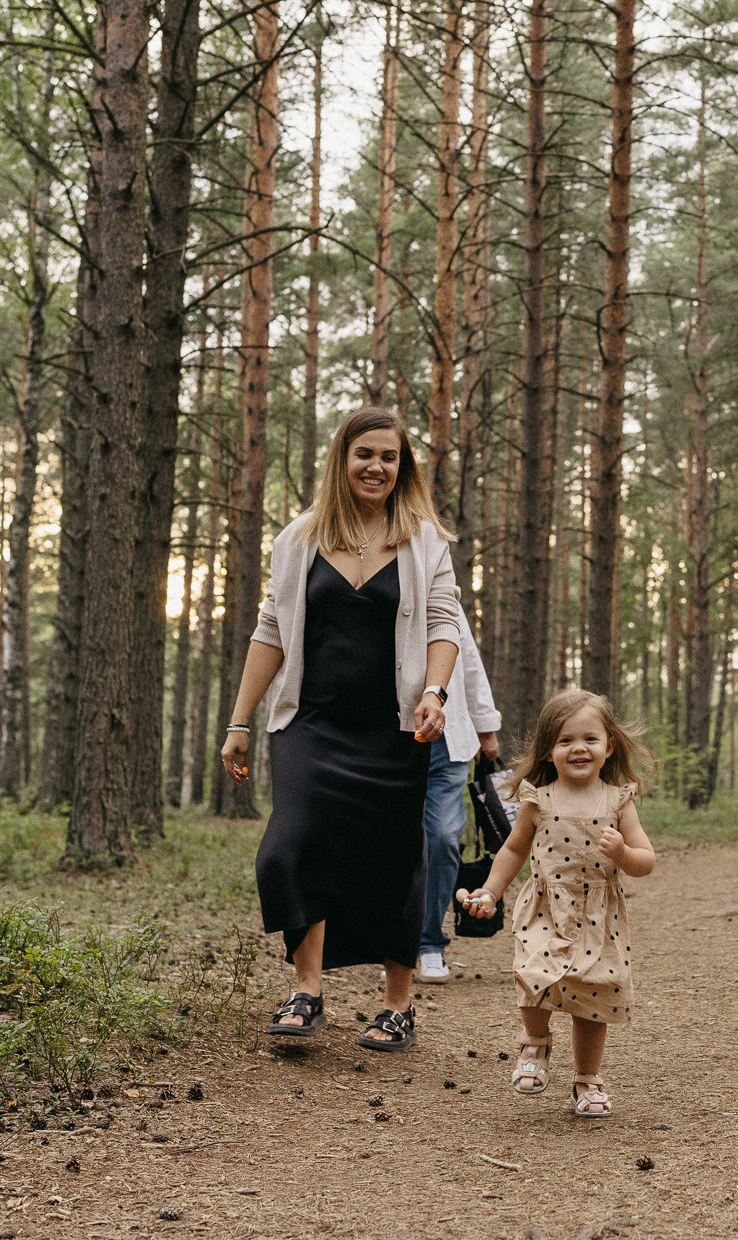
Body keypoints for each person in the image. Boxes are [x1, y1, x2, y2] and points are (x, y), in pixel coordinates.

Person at [221, 407, 462, 1053]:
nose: (376, 466)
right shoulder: (298, 539)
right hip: (311, 724)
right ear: (342, 459)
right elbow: (270, 630)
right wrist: (240, 720)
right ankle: (307, 990)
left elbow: (445, 623)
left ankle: (397, 1005)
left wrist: (435, 692)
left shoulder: (424, 541)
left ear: (402, 467)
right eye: (365, 454)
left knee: (396, 861)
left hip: (396, 729)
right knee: (290, 845)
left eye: (389, 456)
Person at [457, 689, 655, 1118]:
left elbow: (646, 860)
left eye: (589, 738)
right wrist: (490, 891)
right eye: (565, 740)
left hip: (599, 914)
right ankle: (535, 1043)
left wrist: (622, 852)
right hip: (546, 906)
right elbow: (512, 850)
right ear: (549, 750)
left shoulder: (619, 801)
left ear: (609, 747)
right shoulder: (538, 799)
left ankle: (587, 1079)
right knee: (534, 972)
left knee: (595, 992)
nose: (578, 748)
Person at [416, 620, 503, 985]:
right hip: (388, 740)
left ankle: (429, 943)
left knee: (443, 837)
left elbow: (467, 659)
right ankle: (392, 940)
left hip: (447, 742)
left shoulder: (443, 597)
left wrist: (485, 727)